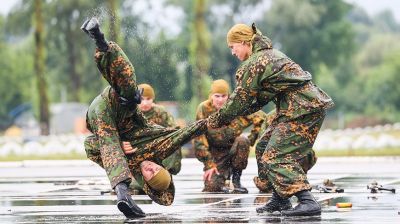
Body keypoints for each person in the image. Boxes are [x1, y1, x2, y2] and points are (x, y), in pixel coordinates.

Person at [81, 17, 207, 218]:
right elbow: (180, 134)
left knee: (109, 140)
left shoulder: (132, 169)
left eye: (150, 174)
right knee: (129, 88)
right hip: (114, 103)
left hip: (99, 119)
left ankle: (122, 193)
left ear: (146, 182)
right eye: (156, 168)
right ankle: (101, 42)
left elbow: (89, 145)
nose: (150, 168)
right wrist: (135, 102)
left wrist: (118, 148)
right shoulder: (154, 148)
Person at [208, 23, 334, 216]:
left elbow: (239, 101)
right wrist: (230, 114)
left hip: (303, 109)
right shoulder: (266, 57)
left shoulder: (257, 61)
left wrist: (218, 118)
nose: (232, 52)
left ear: (243, 42)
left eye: (232, 47)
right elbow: (257, 101)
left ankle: (307, 201)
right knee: (262, 147)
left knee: (276, 156)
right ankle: (280, 199)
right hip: (293, 109)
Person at [193, 79, 267, 193]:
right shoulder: (204, 109)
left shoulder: (236, 107)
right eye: (217, 96)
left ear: (229, 96)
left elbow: (262, 118)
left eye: (224, 96)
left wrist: (251, 140)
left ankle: (236, 179)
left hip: (234, 150)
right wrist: (209, 164)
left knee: (243, 140)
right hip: (216, 156)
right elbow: (199, 140)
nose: (220, 100)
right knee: (212, 187)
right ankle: (224, 180)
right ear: (211, 96)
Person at [126, 83, 182, 193]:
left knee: (175, 143)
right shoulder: (130, 112)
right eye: (142, 99)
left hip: (157, 151)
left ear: (153, 99)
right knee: (136, 186)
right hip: (138, 151)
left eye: (149, 99)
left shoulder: (161, 112)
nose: (145, 103)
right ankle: (133, 180)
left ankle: (164, 173)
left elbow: (174, 131)